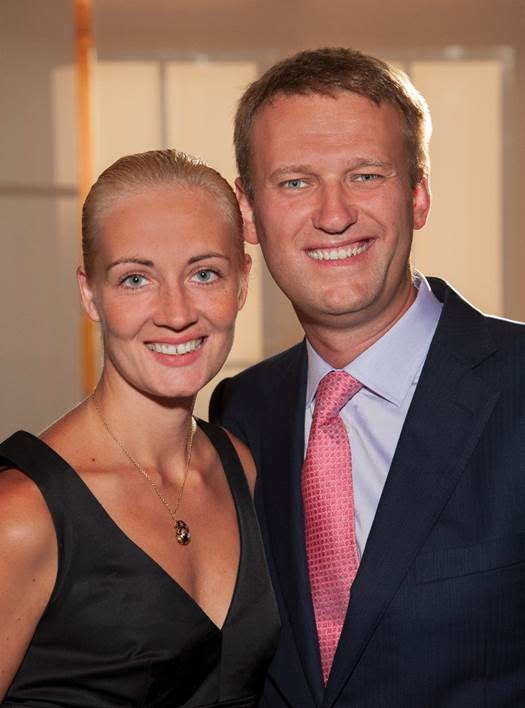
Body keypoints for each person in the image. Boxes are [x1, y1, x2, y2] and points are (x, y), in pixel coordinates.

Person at [210, 47, 525, 707]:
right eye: (294, 181)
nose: (332, 214)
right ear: (247, 212)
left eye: (364, 176)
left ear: (417, 194)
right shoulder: (240, 409)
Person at [0, 149, 279, 706]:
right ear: (90, 294)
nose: (175, 312)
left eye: (205, 274)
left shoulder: (238, 466)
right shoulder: (20, 516)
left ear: (243, 283)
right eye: (135, 279)